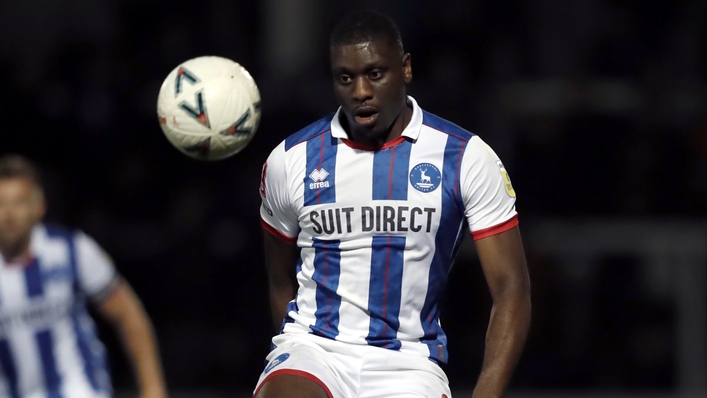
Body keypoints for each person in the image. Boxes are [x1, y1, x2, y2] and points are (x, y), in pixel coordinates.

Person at [255, 10, 531, 398]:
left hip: (409, 365)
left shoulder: (465, 157)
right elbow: (280, 279)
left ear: (405, 69)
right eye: (345, 78)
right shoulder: (290, 160)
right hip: (315, 350)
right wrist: (293, 350)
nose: (360, 91)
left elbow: (511, 288)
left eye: (375, 74)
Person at [0, 154, 167, 398]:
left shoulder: (72, 250)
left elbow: (128, 315)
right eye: (1, 203)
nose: (9, 214)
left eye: (19, 202)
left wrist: (153, 390)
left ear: (39, 207)